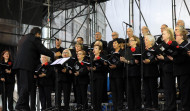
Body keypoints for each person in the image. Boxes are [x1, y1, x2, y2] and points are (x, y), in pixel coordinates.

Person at [13, 27, 60, 111]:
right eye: (40, 35)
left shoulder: (23, 38)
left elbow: (31, 52)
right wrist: (53, 54)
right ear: (38, 33)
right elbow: (42, 49)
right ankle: (19, 105)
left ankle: (25, 107)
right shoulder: (34, 38)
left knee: (22, 86)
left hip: (18, 65)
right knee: (26, 86)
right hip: (26, 65)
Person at [170, 26, 190, 111]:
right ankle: (184, 106)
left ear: (182, 36)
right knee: (182, 90)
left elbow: (183, 59)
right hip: (179, 71)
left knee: (185, 91)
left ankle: (186, 107)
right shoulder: (177, 46)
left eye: (176, 35)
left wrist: (173, 59)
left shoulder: (186, 45)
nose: (175, 36)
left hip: (185, 71)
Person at [156, 28, 176, 111]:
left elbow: (174, 56)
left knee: (170, 88)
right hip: (163, 69)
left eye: (164, 34)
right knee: (166, 89)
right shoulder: (161, 45)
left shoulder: (173, 44)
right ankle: (168, 105)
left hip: (170, 68)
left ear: (168, 35)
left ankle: (172, 106)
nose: (162, 35)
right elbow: (158, 52)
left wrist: (163, 58)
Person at [120, 36, 141, 111]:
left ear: (136, 41)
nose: (130, 42)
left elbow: (136, 61)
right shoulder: (127, 50)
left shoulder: (138, 49)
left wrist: (127, 61)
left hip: (135, 73)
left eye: (132, 40)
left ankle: (137, 107)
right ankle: (130, 107)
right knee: (129, 92)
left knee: (136, 91)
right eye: (129, 40)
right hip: (128, 73)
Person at [143, 34, 159, 110]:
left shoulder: (155, 49)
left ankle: (155, 105)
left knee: (153, 89)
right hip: (145, 72)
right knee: (146, 89)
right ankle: (148, 104)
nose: (144, 41)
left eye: (146, 40)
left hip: (152, 72)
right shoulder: (143, 49)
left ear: (150, 41)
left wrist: (150, 60)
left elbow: (157, 59)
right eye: (144, 40)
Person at [89, 45, 107, 111]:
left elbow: (104, 68)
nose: (94, 49)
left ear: (99, 50)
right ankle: (94, 107)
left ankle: (98, 108)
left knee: (98, 94)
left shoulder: (103, 57)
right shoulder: (92, 57)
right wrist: (90, 68)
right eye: (94, 48)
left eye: (96, 48)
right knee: (93, 94)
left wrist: (96, 68)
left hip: (100, 77)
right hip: (93, 77)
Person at [109, 38, 124, 111]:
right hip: (112, 74)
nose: (114, 44)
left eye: (115, 43)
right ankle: (115, 107)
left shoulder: (122, 52)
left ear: (118, 44)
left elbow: (122, 63)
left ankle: (120, 107)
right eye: (113, 43)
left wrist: (116, 66)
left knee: (119, 91)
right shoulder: (111, 52)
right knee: (114, 91)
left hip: (119, 74)